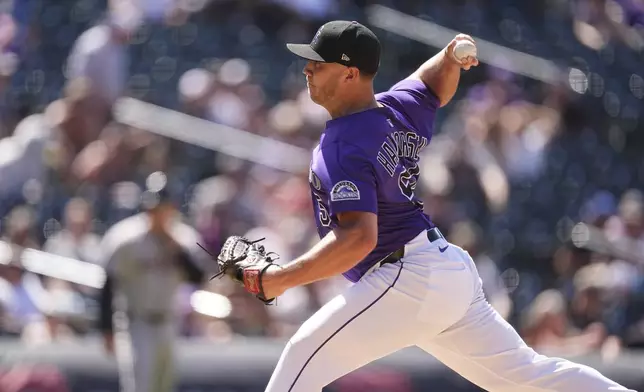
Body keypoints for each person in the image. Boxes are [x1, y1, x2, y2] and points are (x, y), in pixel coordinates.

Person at [253, 20, 635, 392]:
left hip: (407, 277)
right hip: (443, 269)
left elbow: (358, 240)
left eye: (319, 64)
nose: (307, 69)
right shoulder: (395, 107)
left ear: (350, 74)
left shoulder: (342, 147)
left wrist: (280, 279)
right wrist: (451, 55)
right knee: (527, 377)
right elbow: (433, 82)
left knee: (301, 356)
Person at [98, 171, 207, 392]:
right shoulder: (126, 238)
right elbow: (108, 285)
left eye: (163, 207)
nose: (157, 213)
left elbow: (199, 277)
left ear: (172, 208)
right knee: (141, 387)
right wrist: (106, 329)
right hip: (136, 322)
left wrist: (174, 247)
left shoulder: (183, 238)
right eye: (154, 207)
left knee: (165, 386)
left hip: (169, 322)